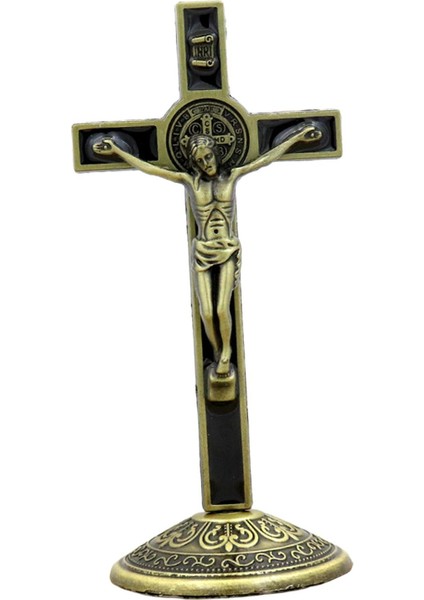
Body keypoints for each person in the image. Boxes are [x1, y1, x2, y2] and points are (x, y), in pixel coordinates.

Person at [93, 122, 321, 376]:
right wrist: (117, 151)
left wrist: (297, 138)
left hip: (227, 248)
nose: (206, 163)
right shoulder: (190, 182)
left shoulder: (232, 176)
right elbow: (150, 169)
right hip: (202, 250)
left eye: (209, 157)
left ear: (216, 153)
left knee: (222, 308)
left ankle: (226, 352)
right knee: (206, 313)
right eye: (200, 160)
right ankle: (216, 352)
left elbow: (265, 159)